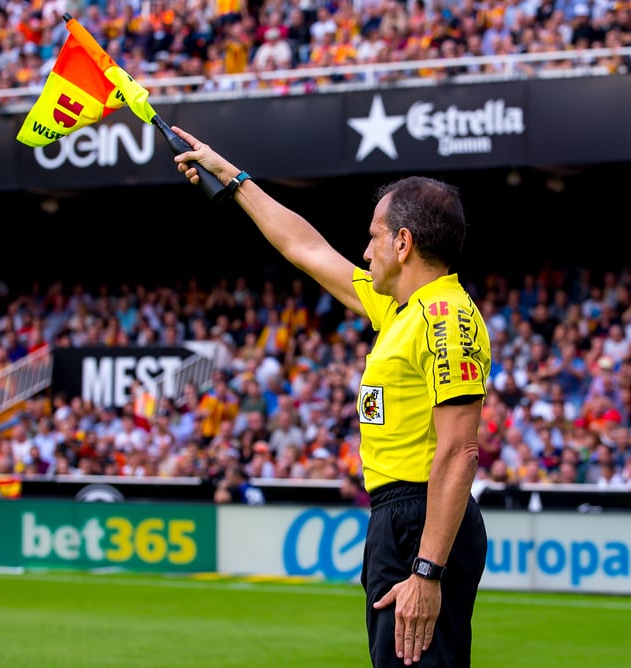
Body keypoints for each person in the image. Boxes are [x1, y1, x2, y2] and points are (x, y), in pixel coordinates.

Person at [172, 125, 492, 668]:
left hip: (420, 518)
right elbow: (304, 247)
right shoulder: (400, 307)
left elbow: (460, 451)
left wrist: (426, 570)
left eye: (372, 236)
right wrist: (231, 177)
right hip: (399, 517)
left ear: (403, 242)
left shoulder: (446, 317)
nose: (364, 251)